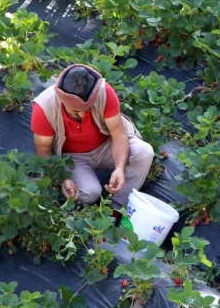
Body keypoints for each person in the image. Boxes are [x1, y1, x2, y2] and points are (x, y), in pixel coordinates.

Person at [30, 64, 154, 208]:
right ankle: (67, 197)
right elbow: (43, 150)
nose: (82, 114)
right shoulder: (44, 107)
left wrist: (119, 168)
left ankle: (116, 207)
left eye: (87, 109)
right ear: (62, 100)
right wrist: (62, 178)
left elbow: (118, 135)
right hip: (73, 157)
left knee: (144, 152)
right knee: (90, 192)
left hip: (106, 145)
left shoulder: (104, 92)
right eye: (76, 111)